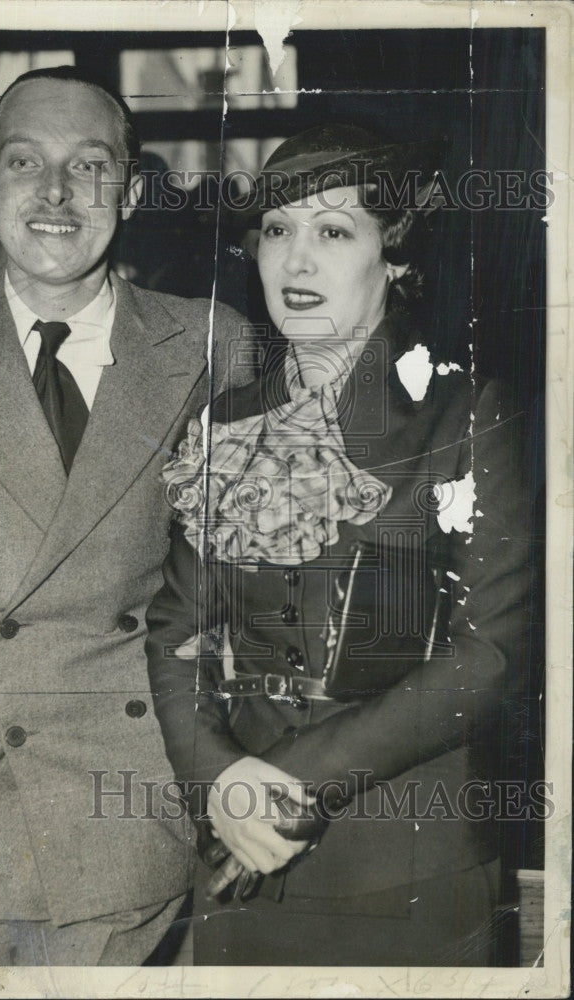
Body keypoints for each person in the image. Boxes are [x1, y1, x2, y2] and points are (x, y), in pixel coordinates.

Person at [0, 65, 251, 966]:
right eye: (25, 163)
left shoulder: (212, 343)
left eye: (89, 166)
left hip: (138, 807)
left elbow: (238, 600)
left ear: (131, 191)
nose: (56, 194)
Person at [145, 124, 532, 965]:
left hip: (403, 868)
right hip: (238, 860)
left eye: (333, 231)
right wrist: (218, 780)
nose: (296, 263)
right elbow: (176, 630)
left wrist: (286, 785)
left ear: (393, 257)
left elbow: (490, 656)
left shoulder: (462, 416)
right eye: (278, 232)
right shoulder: (224, 423)